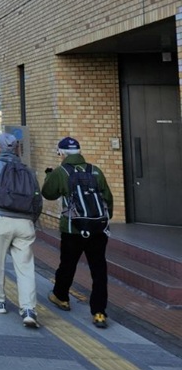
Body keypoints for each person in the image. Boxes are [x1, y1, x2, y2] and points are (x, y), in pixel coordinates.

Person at [42, 136, 114, 329]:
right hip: (97, 229)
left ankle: (61, 297)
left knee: (68, 264)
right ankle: (99, 312)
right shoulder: (95, 171)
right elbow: (108, 198)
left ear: (62, 153)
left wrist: (49, 176)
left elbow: (48, 193)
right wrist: (102, 220)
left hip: (72, 229)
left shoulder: (61, 172)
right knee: (99, 270)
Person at [0, 133, 40, 327]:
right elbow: (37, 200)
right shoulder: (28, 171)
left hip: (0, 221)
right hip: (25, 223)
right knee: (26, 267)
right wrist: (31, 220)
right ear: (17, 150)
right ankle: (28, 309)